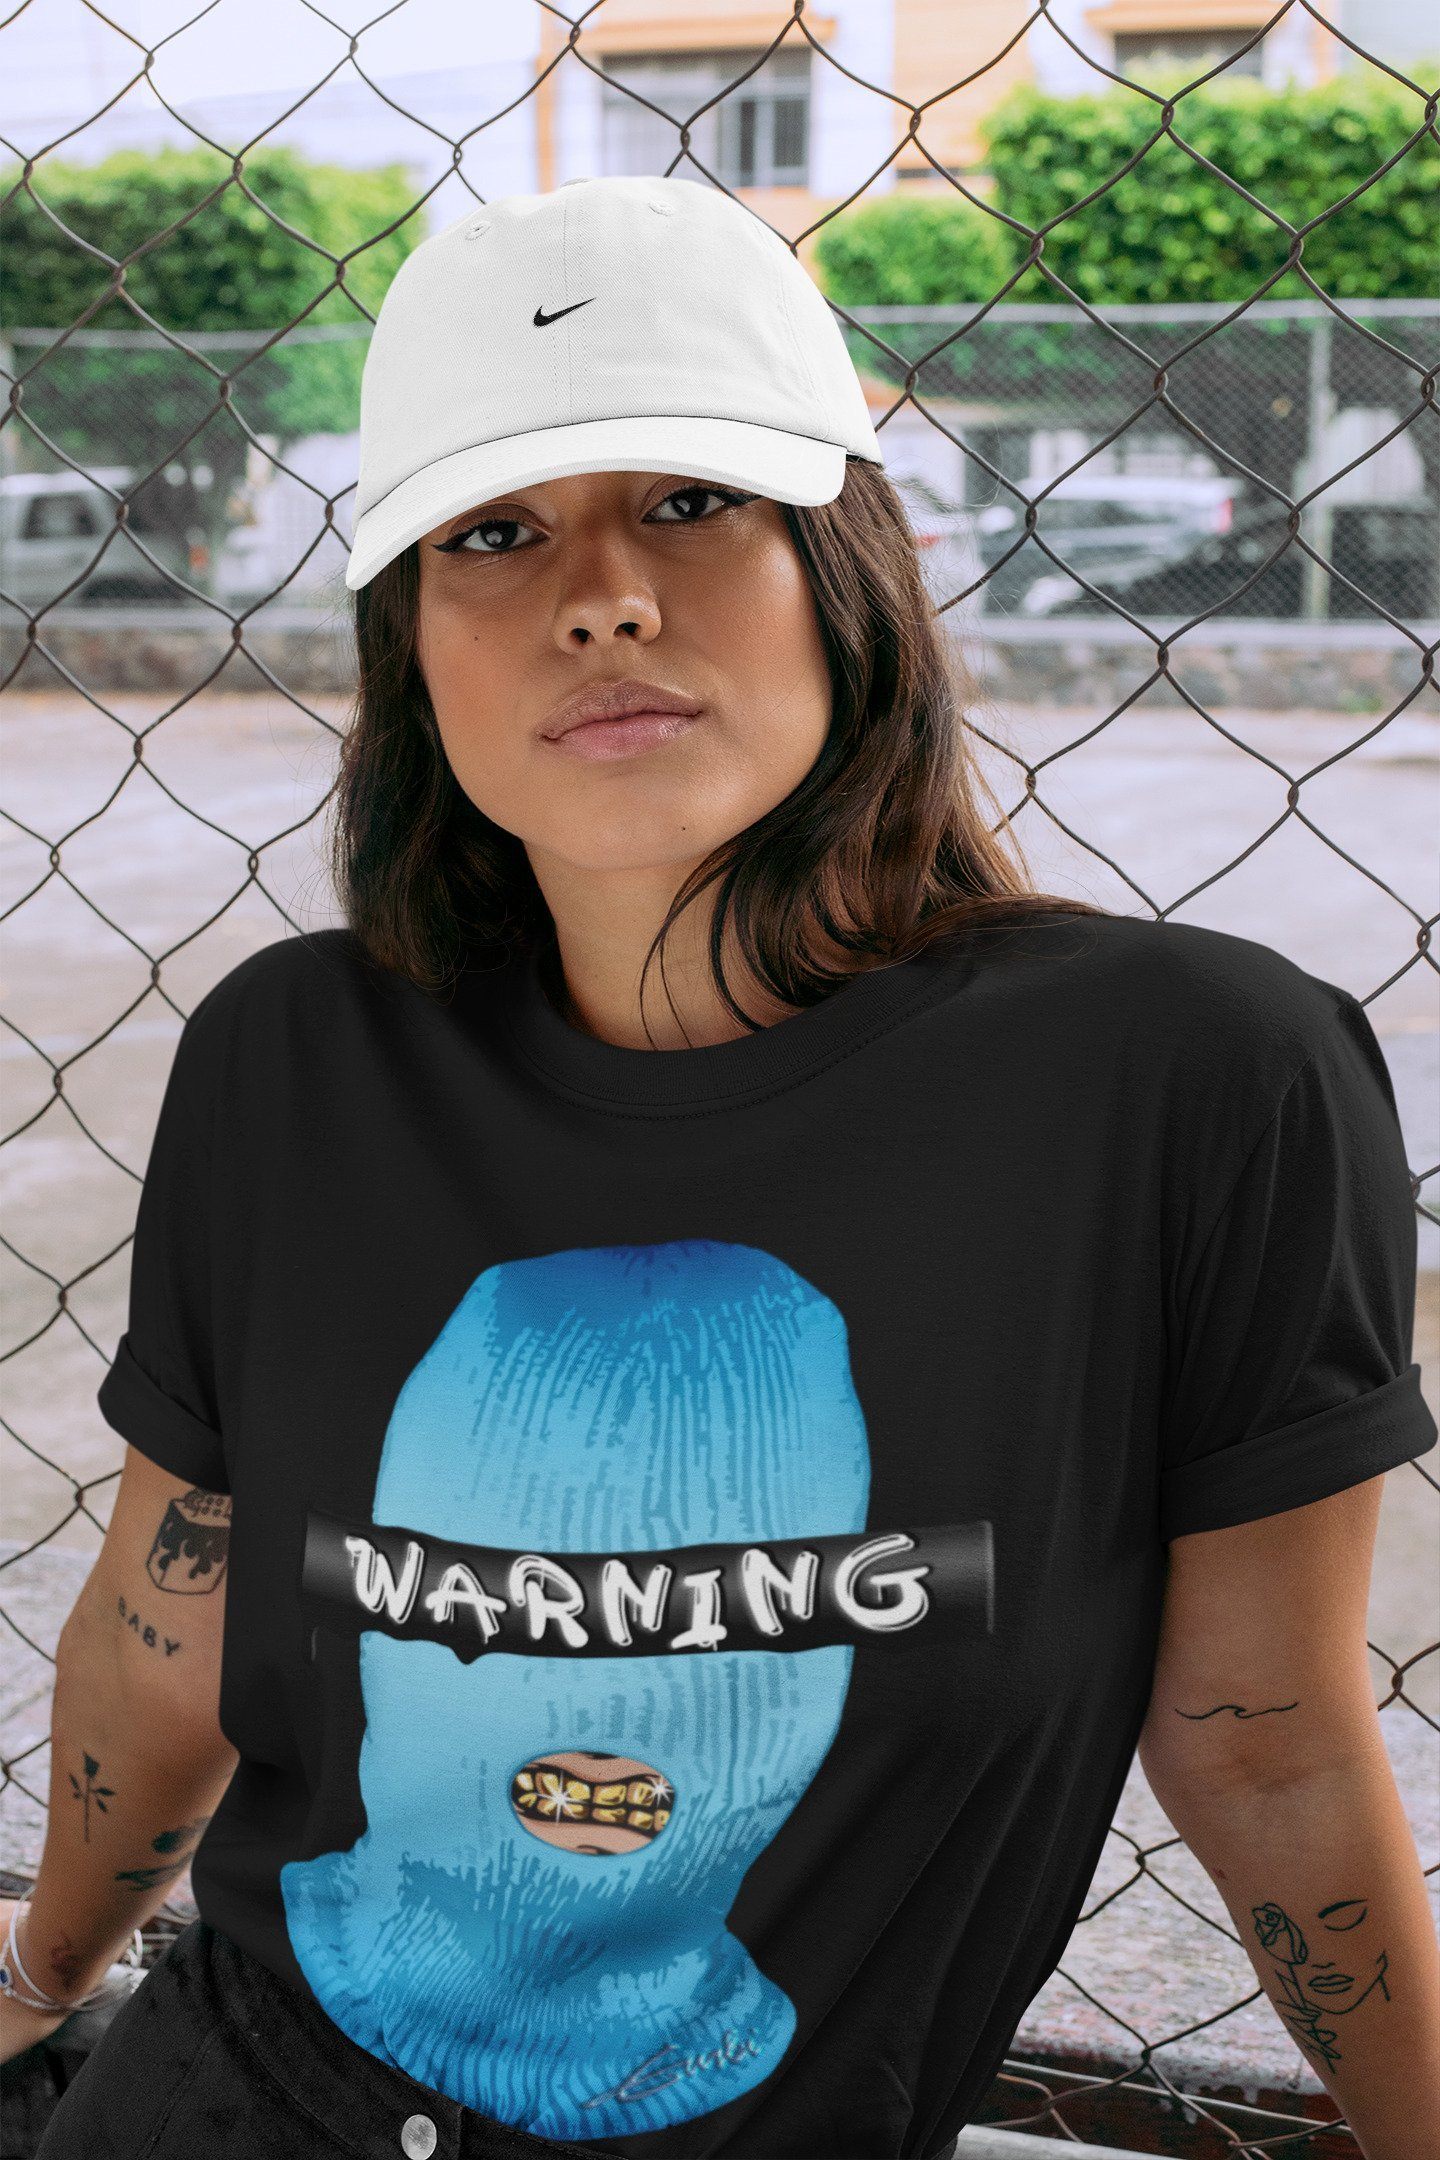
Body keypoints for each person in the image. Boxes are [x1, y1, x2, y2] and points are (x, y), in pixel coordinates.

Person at [5, 173, 1437, 2160]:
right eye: (492, 531)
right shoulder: (293, 1059)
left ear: (851, 564)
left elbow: (1265, 1744)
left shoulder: (1192, 1081)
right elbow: (166, 1634)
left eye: (688, 499)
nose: (600, 595)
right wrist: (34, 1987)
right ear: (411, 642)